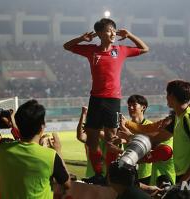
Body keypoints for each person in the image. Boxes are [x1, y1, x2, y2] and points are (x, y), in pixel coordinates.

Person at [63, 18, 149, 183]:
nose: (113, 33)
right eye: (109, 30)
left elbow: (145, 48)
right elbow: (67, 46)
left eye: (114, 30)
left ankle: (112, 174)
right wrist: (83, 38)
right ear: (100, 34)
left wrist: (129, 35)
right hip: (95, 99)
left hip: (113, 100)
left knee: (111, 139)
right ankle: (98, 175)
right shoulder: (91, 50)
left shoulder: (121, 50)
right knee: (92, 142)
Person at [122, 80, 190, 199]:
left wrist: (184, 180)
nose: (166, 97)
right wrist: (131, 137)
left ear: (172, 96)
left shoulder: (188, 117)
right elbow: (156, 139)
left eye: (167, 94)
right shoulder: (178, 117)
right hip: (184, 177)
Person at [0, 99, 71, 198]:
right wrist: (58, 151)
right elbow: (67, 184)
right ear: (42, 128)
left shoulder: (2, 150)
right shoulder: (50, 156)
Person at [76, 106, 107, 184]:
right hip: (91, 175)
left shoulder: (111, 133)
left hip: (107, 177)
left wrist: (93, 130)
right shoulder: (92, 135)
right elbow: (80, 137)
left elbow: (109, 138)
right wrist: (83, 115)